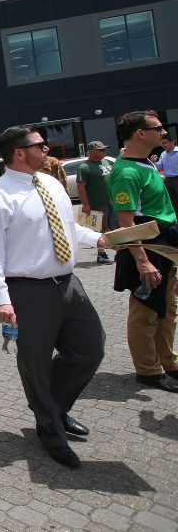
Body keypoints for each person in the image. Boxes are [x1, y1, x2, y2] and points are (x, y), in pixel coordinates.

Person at [0, 125, 108, 469]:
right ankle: (50, 430)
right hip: (27, 291)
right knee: (35, 363)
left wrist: (99, 240)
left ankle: (54, 408)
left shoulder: (50, 183)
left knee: (90, 348)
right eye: (40, 144)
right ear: (19, 152)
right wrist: (1, 299)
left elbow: (68, 227)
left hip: (68, 284)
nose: (47, 148)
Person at [108, 111, 178, 393]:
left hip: (166, 245)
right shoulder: (126, 171)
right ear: (140, 133)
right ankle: (148, 370)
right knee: (146, 311)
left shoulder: (147, 162)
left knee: (167, 309)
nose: (163, 133)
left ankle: (168, 361)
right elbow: (126, 223)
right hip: (148, 247)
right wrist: (143, 262)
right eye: (158, 128)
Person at [76, 141, 117, 265]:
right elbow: (81, 187)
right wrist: (85, 204)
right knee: (99, 229)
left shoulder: (106, 162)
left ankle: (119, 252)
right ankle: (101, 253)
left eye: (104, 149)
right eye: (101, 150)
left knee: (114, 227)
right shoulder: (85, 167)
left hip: (111, 202)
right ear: (91, 152)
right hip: (97, 203)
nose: (104, 152)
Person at [155, 132, 178, 212]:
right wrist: (153, 163)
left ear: (173, 142)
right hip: (168, 180)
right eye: (162, 144)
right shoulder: (163, 154)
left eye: (165, 143)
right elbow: (159, 167)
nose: (163, 145)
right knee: (172, 203)